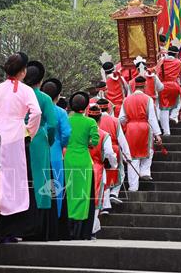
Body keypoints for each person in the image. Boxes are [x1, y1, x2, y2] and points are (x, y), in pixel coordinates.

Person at [0, 53, 41, 243]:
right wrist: (29, 132)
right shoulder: (26, 90)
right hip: (16, 137)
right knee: (16, 181)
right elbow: (36, 112)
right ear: (23, 71)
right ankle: (11, 229)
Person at [22, 61, 58, 240]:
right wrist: (49, 140)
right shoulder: (44, 98)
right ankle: (39, 226)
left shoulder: (18, 95)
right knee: (40, 179)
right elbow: (52, 124)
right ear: (41, 79)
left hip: (18, 138)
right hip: (39, 140)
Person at [64, 92, 99, 240]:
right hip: (84, 159)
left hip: (69, 158)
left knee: (69, 192)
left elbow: (63, 138)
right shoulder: (90, 122)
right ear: (85, 107)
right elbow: (95, 141)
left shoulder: (67, 120)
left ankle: (68, 227)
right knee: (83, 194)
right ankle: (80, 230)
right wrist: (88, 144)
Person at [118, 76, 162, 192]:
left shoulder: (126, 100)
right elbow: (152, 118)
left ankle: (133, 187)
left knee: (132, 156)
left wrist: (124, 127)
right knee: (148, 151)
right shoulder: (148, 99)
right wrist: (157, 134)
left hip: (130, 129)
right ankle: (145, 171)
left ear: (134, 86)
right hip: (144, 128)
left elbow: (121, 118)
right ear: (145, 85)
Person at [41, 78, 72, 238]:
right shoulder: (60, 112)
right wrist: (62, 143)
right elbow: (66, 133)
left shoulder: (36, 110)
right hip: (55, 153)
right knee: (56, 188)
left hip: (38, 152)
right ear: (58, 96)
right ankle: (55, 223)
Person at [86, 105, 117, 235]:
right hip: (97, 167)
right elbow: (109, 153)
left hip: (81, 165)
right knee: (96, 199)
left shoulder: (80, 132)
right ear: (100, 119)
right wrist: (113, 164)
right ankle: (91, 228)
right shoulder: (104, 135)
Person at [96, 98, 131, 207]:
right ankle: (114, 193)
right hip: (114, 148)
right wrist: (127, 155)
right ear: (109, 107)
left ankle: (103, 199)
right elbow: (122, 139)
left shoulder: (93, 121)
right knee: (119, 172)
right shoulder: (115, 120)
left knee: (103, 174)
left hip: (98, 150)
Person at [156, 44, 181, 135]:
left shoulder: (162, 60)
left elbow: (157, 71)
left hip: (163, 86)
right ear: (176, 54)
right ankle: (173, 115)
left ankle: (166, 131)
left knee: (164, 108)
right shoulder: (179, 62)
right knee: (178, 102)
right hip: (174, 86)